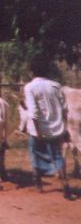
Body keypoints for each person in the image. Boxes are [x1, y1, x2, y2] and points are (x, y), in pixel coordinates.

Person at [23, 56, 70, 198]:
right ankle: (65, 183)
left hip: (38, 129)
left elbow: (34, 112)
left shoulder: (30, 87)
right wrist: (65, 128)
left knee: (35, 154)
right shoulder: (56, 86)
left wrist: (37, 131)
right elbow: (64, 109)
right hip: (57, 128)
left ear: (32, 72)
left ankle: (38, 184)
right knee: (57, 156)